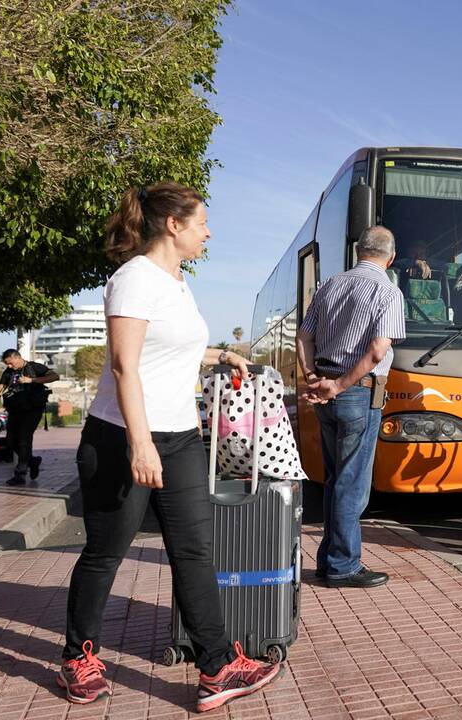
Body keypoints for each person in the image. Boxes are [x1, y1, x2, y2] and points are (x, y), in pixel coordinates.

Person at [59, 183, 282, 711]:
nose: (209, 231)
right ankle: (78, 658)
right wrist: (140, 444)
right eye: (201, 221)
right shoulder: (134, 278)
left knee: (195, 551)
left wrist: (220, 354)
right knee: (105, 553)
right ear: (173, 226)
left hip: (181, 436)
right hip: (121, 438)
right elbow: (124, 364)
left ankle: (217, 666)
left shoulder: (177, 282)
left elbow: (171, 348)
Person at [296, 225, 406, 588]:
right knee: (352, 483)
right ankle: (343, 565)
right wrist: (342, 385)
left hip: (326, 393)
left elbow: (303, 335)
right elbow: (377, 350)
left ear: (359, 251)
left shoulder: (330, 285)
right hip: (357, 393)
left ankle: (329, 560)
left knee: (335, 480)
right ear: (390, 257)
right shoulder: (387, 291)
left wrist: (314, 377)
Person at [0, 349, 58, 485]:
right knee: (10, 442)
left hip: (33, 409)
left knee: (24, 439)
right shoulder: (8, 372)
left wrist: (32, 380)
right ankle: (33, 461)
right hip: (15, 410)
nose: (9, 366)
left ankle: (20, 474)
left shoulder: (34, 367)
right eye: (7, 364)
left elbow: (55, 376)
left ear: (18, 358)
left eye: (11, 363)